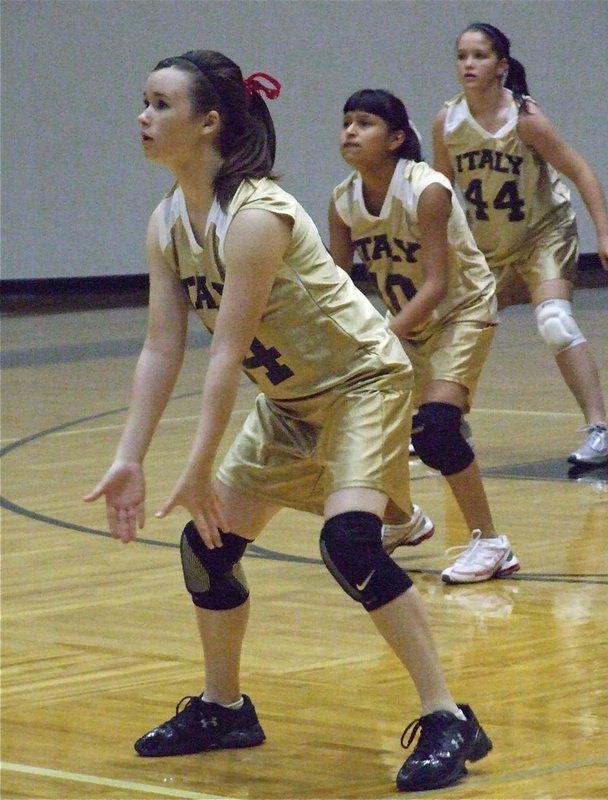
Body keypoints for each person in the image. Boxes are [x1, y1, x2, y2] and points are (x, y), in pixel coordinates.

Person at [82, 49, 492, 792]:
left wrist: (199, 466)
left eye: (160, 104)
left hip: (361, 384)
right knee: (205, 551)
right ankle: (223, 709)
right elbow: (160, 345)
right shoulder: (168, 221)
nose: (142, 118)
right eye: (142, 102)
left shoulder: (257, 215)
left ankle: (448, 719)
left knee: (349, 544)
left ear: (208, 123)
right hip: (292, 403)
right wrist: (129, 456)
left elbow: (224, 356)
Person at [329, 88, 520, 584]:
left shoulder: (426, 188)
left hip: (460, 311)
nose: (351, 130)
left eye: (365, 123)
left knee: (436, 429)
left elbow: (436, 283)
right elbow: (337, 282)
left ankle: (492, 543)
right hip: (406, 325)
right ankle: (402, 520)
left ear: (395, 138)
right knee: (369, 427)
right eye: (347, 122)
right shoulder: (343, 200)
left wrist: (381, 335)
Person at [432, 21, 608, 467]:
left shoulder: (527, 119)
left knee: (555, 321)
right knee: (456, 330)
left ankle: (601, 429)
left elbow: (581, 171)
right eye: (462, 56)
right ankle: (449, 422)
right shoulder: (447, 121)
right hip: (488, 247)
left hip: (542, 236)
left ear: (501, 66)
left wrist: (605, 233)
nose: (468, 64)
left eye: (479, 56)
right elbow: (438, 190)